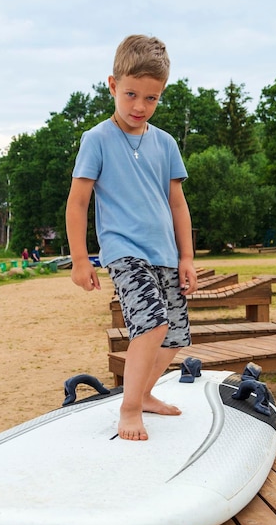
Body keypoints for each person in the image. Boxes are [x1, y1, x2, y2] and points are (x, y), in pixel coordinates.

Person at [66, 35, 198, 441]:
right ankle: (128, 406)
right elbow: (78, 202)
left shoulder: (166, 143)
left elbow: (178, 204)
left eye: (151, 98)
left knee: (175, 335)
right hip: (124, 252)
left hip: (165, 254)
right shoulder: (97, 139)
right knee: (152, 325)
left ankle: (144, 393)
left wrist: (187, 257)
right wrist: (80, 259)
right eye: (131, 95)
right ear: (112, 85)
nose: (140, 106)